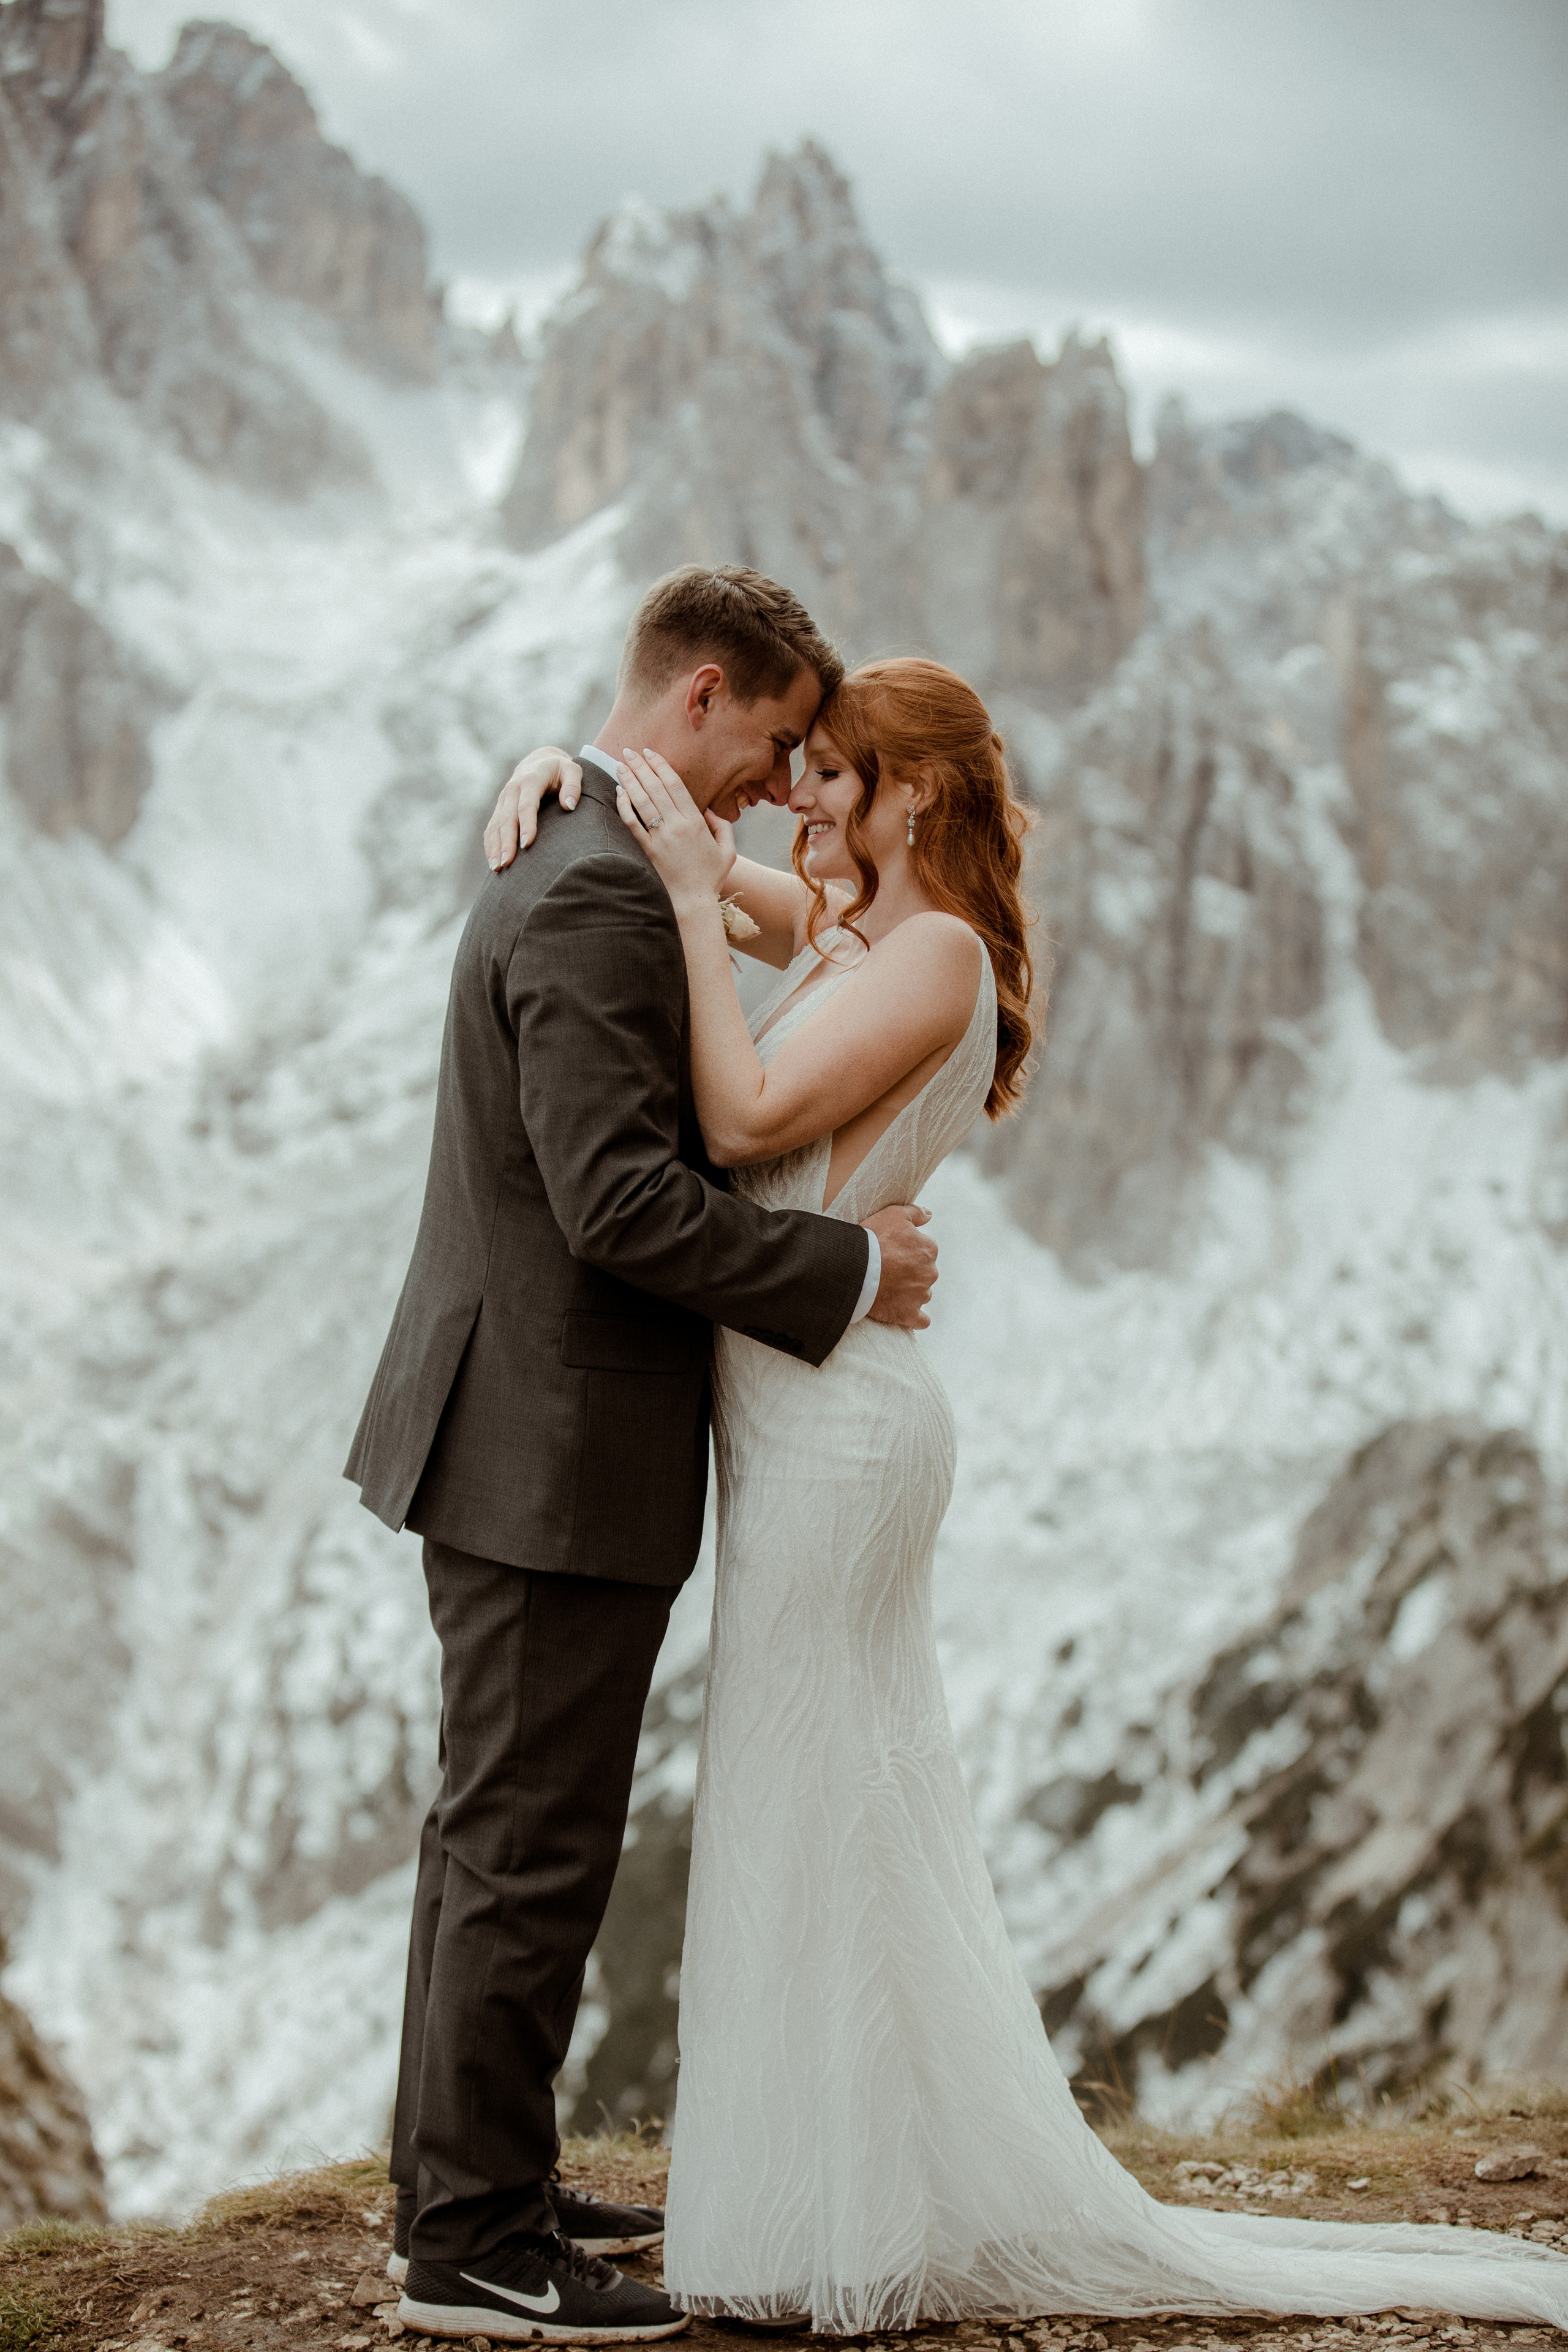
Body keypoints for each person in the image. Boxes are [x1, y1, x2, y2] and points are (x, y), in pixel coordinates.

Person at [487, 657, 1568, 2336]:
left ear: (913, 793)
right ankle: (837, 2194)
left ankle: (837, 2222)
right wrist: (565, 768)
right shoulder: (868, 930)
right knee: (813, 1791)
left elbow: (740, 1106)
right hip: (802, 1409)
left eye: (838, 773)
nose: (809, 799)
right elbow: (686, 852)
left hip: (841, 1426)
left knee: (823, 1790)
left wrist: (702, 910)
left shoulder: (934, 954)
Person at [344, 565, 941, 2346]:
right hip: (550, 1446)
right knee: (529, 1847)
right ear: (694, 697)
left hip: (517, 1428)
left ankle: (475, 2188)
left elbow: (727, 943)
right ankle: (472, 2251)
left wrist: (583, 770)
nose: (775, 787)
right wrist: (849, 1269)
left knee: (493, 1837)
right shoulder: (603, 895)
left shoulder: (584, 844)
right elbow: (615, 1203)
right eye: (765, 747)